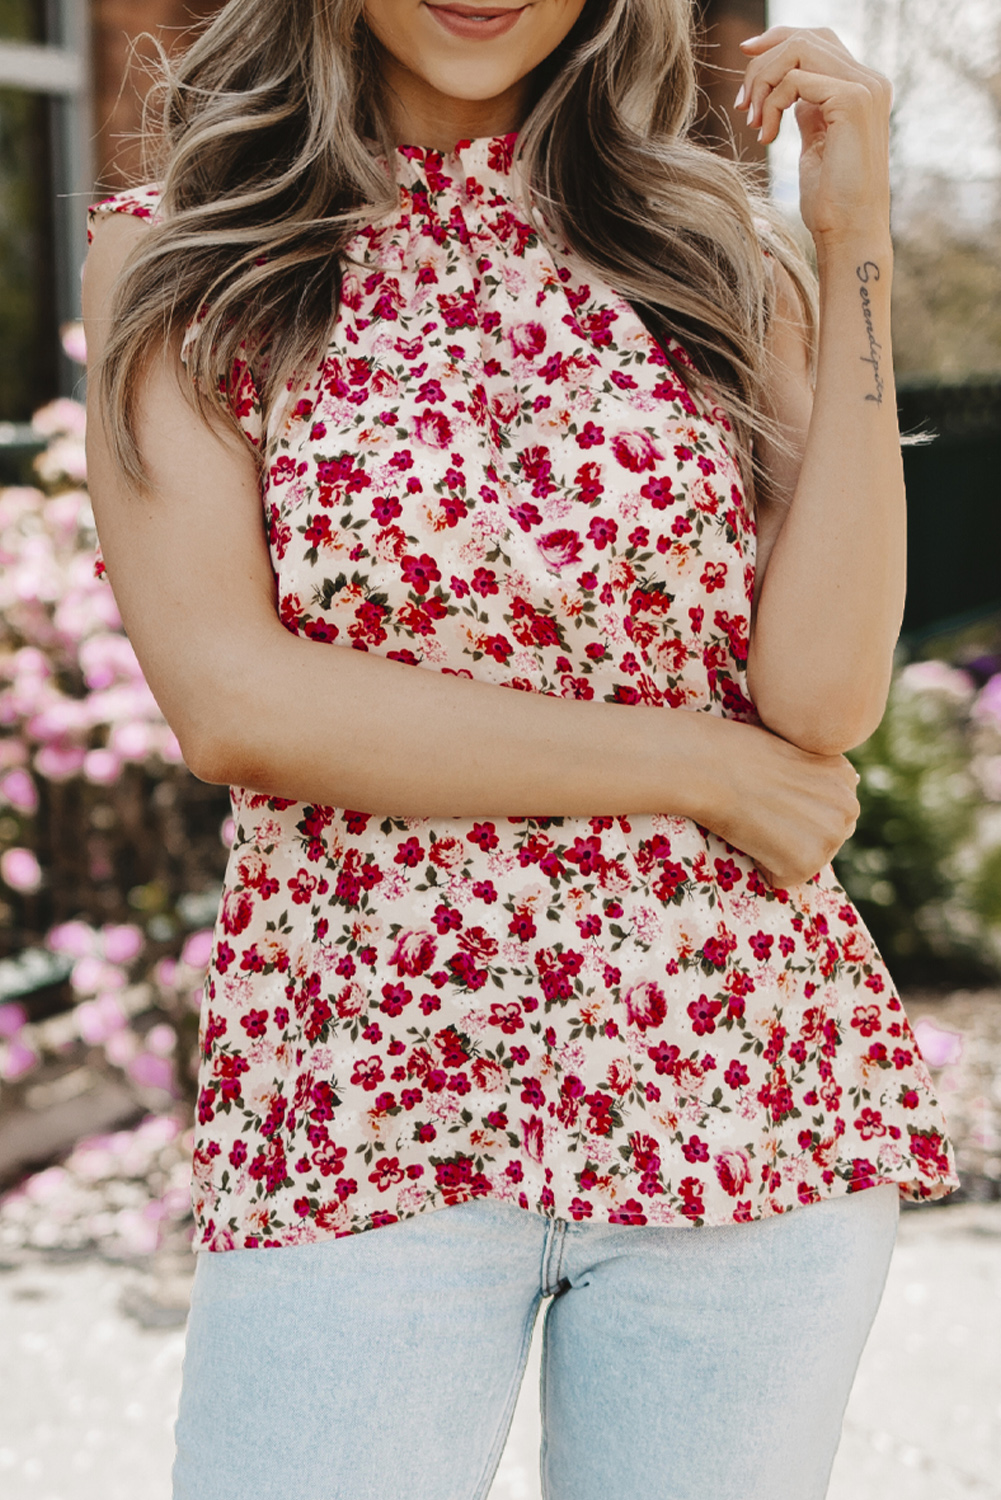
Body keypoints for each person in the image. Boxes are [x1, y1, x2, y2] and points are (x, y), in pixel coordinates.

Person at [82, 1, 957, 1495]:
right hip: (363, 1101)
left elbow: (817, 702)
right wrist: (700, 766)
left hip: (736, 1095)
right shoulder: (182, 257)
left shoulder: (713, 257)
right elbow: (240, 703)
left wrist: (852, 239)